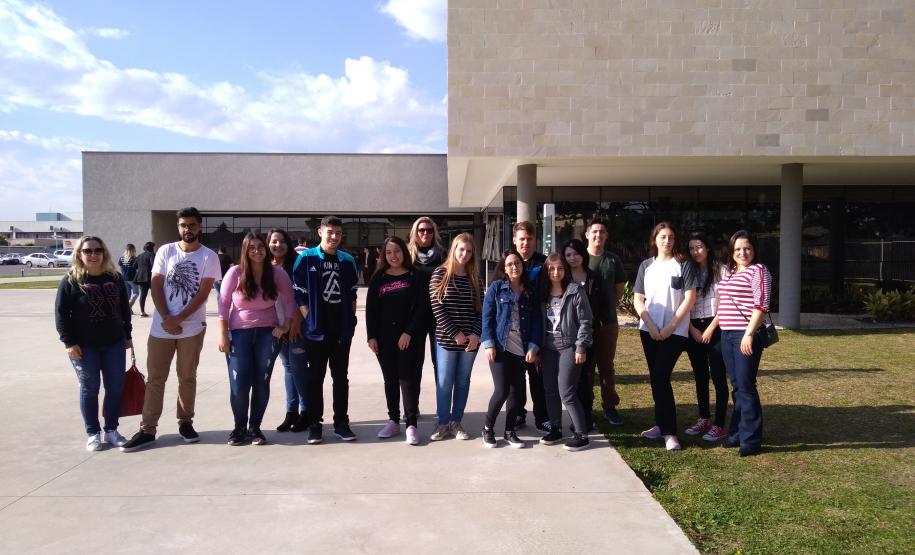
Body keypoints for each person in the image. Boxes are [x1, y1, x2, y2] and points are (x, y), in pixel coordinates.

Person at [121, 207, 222, 452]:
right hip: (161, 328)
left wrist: (180, 319)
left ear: (200, 227)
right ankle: (148, 429)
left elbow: (203, 293)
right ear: (178, 227)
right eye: (183, 225)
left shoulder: (209, 256)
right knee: (156, 378)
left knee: (187, 377)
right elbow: (156, 284)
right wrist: (167, 317)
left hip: (192, 329)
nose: (187, 229)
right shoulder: (165, 251)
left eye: (192, 225)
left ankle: (185, 422)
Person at [218, 232, 296, 446]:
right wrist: (223, 335)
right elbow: (223, 305)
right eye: (251, 247)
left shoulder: (277, 273)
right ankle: (239, 428)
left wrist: (285, 326)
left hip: (267, 334)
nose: (257, 251)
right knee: (239, 383)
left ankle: (255, 428)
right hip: (239, 334)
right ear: (245, 250)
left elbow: (290, 301)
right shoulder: (235, 272)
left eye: (260, 246)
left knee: (261, 382)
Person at [55, 236, 133, 451]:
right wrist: (69, 343)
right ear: (79, 254)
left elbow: (124, 310)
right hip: (84, 347)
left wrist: (128, 335)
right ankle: (93, 432)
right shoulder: (71, 280)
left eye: (97, 250)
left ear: (104, 253)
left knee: (115, 388)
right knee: (90, 389)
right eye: (87, 251)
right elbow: (61, 315)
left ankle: (111, 430)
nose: (93, 255)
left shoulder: (115, 278)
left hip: (114, 344)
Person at [292, 215, 360, 444]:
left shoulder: (348, 260)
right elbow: (299, 293)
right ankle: (315, 425)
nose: (334, 237)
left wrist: (349, 319)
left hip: (341, 330)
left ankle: (341, 423)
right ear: (320, 232)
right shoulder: (306, 258)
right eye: (330, 232)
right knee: (315, 378)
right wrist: (309, 317)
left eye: (338, 233)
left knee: (340, 378)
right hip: (315, 331)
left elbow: (352, 293)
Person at [634, 222, 697, 452]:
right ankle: (661, 425)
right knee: (656, 378)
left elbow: (689, 299)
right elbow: (638, 298)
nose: (667, 241)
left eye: (670, 237)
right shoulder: (646, 266)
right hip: (648, 331)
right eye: (662, 237)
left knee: (661, 376)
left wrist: (670, 327)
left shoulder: (683, 265)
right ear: (655, 239)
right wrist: (650, 325)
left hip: (676, 332)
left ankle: (670, 432)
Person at [366, 236, 429, 446]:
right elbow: (371, 310)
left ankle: (411, 424)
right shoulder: (378, 278)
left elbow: (422, 308)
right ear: (384, 255)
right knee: (390, 379)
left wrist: (409, 332)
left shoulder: (416, 276)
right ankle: (393, 420)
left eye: (397, 251)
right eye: (389, 252)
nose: (393, 256)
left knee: (407, 380)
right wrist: (371, 336)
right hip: (384, 339)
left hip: (409, 339)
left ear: (405, 252)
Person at [716, 230, 773, 457]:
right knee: (737, 386)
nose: (742, 252)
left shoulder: (758, 271)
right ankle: (737, 433)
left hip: (745, 334)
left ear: (754, 250)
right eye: (738, 249)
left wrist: (749, 334)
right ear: (731, 251)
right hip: (727, 334)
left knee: (747, 386)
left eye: (747, 248)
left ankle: (751, 439)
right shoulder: (729, 272)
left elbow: (762, 305)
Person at [480, 249, 541, 449]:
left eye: (517, 263)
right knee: (502, 390)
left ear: (522, 266)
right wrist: (488, 343)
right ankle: (488, 428)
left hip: (521, 348)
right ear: (504, 268)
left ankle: (509, 431)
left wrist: (534, 346)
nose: (514, 267)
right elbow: (487, 318)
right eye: (509, 264)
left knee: (517, 393)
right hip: (499, 347)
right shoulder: (496, 288)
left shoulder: (530, 290)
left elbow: (536, 323)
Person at [428, 232, 483, 441]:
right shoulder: (440, 274)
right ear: (454, 249)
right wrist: (455, 333)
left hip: (470, 342)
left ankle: (456, 421)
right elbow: (437, 307)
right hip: (446, 340)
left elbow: (481, 309)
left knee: (462, 381)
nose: (465, 254)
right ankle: (442, 423)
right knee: (444, 382)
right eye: (461, 249)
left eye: (469, 251)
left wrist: (476, 334)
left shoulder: (475, 277)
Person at [537, 253, 594, 451]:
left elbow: (586, 322)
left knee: (567, 392)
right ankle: (555, 428)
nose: (555, 272)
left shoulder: (575, 291)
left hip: (568, 346)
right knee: (550, 389)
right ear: (546, 270)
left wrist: (581, 346)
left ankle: (581, 433)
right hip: (548, 348)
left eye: (560, 268)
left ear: (565, 270)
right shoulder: (542, 292)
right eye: (551, 268)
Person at [684, 232, 729, 442]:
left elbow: (726, 303)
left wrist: (711, 328)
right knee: (700, 375)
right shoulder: (688, 270)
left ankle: (719, 424)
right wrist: (692, 329)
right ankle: (704, 417)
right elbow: (681, 303)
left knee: (718, 376)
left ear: (708, 248)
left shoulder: (721, 270)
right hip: (694, 327)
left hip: (716, 326)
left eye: (699, 247)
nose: (696, 252)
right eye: (692, 248)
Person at [585, 217, 628, 425]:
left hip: (608, 322)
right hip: (584, 323)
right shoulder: (579, 258)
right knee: (586, 366)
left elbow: (619, 289)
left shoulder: (613, 260)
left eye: (602, 232)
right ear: (587, 234)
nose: (598, 235)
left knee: (606, 366)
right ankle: (586, 407)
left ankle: (610, 406)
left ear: (606, 235)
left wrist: (608, 305)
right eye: (594, 232)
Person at [562, 238, 604, 433]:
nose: (573, 258)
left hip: (590, 334)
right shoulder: (561, 277)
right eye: (568, 255)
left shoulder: (594, 277)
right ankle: (576, 418)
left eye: (576, 253)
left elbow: (603, 303)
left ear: (583, 255)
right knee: (573, 380)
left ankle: (586, 417)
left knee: (586, 377)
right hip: (567, 336)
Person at [268, 228, 308, 433]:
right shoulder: (265, 267)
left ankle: (306, 412)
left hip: (295, 325)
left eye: (282, 241)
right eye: (274, 241)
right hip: (276, 327)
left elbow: (302, 297)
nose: (278, 245)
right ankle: (291, 412)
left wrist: (296, 323)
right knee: (288, 367)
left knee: (299, 367)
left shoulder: (297, 265)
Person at [511, 221, 549, 432]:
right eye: (522, 239)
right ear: (514, 240)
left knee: (537, 376)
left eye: (529, 239)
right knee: (515, 378)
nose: (525, 243)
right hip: (514, 333)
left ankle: (541, 416)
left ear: (535, 240)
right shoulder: (508, 263)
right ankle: (518, 413)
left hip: (536, 328)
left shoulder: (544, 264)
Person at [407, 216, 445, 394]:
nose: (425, 233)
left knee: (440, 362)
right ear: (415, 232)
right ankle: (412, 405)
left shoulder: (442, 255)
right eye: (421, 230)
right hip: (415, 316)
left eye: (429, 230)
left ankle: (442, 405)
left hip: (438, 315)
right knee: (414, 363)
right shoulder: (407, 256)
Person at [134, 242, 155, 317]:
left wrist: (141, 269)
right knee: (156, 294)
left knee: (143, 295)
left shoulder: (139, 255)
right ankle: (158, 310)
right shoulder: (152, 254)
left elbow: (134, 266)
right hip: (150, 277)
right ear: (152, 247)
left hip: (140, 277)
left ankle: (142, 312)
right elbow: (153, 265)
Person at [117, 243, 140, 313]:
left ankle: (129, 310)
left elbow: (120, 268)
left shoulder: (121, 258)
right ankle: (129, 306)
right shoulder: (134, 259)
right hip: (132, 278)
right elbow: (137, 269)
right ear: (133, 250)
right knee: (136, 293)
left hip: (124, 278)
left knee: (128, 294)